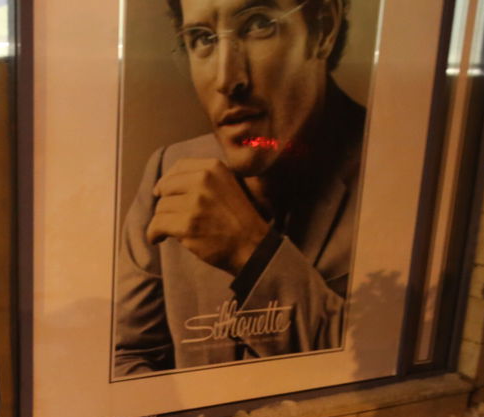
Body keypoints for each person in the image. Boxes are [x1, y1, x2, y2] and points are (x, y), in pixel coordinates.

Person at [114, 0, 362, 376]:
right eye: (202, 38)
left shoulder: (394, 167)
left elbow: (369, 367)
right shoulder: (168, 169)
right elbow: (125, 358)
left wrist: (255, 255)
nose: (227, 80)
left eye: (258, 24)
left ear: (323, 29)